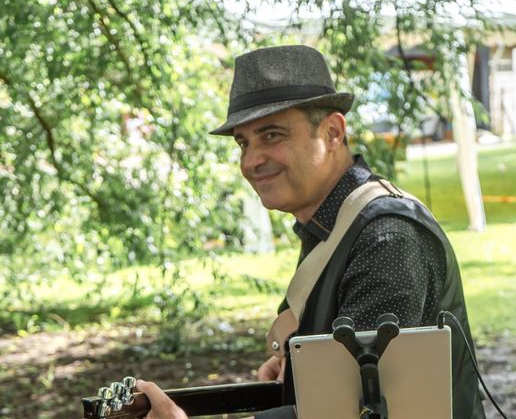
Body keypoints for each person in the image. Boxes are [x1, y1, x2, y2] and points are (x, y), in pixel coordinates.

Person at [138, 45, 486, 418]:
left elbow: (356, 411)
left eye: (271, 135)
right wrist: (300, 368)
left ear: (333, 132)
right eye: (244, 142)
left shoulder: (386, 238)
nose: (251, 160)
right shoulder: (335, 224)